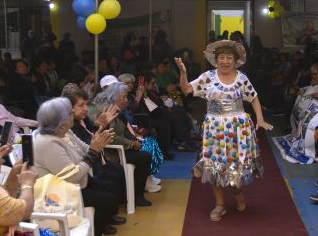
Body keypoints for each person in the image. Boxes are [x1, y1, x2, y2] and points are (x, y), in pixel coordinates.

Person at [174, 39, 273, 222]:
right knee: (214, 166)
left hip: (238, 128)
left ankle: (237, 192)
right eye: (221, 57)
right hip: (214, 129)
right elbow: (186, 89)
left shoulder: (241, 78)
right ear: (216, 59)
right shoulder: (207, 77)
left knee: (235, 164)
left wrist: (260, 119)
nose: (225, 61)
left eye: (229, 57)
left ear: (235, 60)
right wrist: (183, 73)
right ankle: (220, 204)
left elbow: (254, 98)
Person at [33, 98, 118, 236]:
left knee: (110, 189)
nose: (73, 115)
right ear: (61, 121)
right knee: (108, 201)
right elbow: (72, 176)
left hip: (75, 185)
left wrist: (95, 145)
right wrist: (93, 152)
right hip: (60, 194)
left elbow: (84, 150)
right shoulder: (48, 143)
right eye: (70, 113)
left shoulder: (64, 132)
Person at [89, 82, 157, 204]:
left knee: (146, 147)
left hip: (120, 147)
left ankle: (137, 191)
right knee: (144, 157)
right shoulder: (107, 111)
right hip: (112, 152)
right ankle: (137, 196)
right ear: (114, 97)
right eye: (124, 97)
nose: (126, 100)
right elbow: (111, 136)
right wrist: (131, 143)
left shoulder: (116, 109)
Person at [0, 130, 37, 236]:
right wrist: (27, 184)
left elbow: (4, 205)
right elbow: (24, 211)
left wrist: (13, 176)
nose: (2, 160)